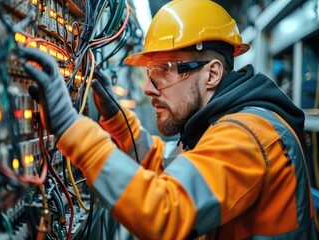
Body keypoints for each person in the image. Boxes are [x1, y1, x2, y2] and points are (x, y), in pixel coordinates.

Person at [20, 0, 317, 239]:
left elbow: (165, 210)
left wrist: (71, 128)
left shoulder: (248, 135)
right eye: (150, 74)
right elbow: (169, 164)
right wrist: (119, 124)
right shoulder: (213, 127)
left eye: (163, 71)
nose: (148, 88)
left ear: (212, 74)